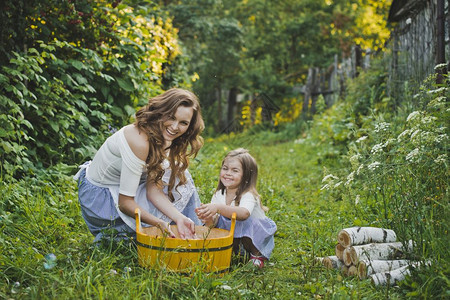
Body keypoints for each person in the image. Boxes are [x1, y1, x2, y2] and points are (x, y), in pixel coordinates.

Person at [74, 88, 204, 242]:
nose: (175, 127)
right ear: (161, 111)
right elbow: (125, 203)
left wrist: (179, 217)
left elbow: (153, 190)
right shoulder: (139, 141)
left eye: (183, 123)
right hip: (101, 200)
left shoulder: (162, 135)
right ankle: (114, 234)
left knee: (179, 175)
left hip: (126, 188)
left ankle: (193, 234)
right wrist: (157, 223)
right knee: (139, 240)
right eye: (171, 117)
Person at [195, 148, 277, 268]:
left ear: (246, 176)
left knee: (246, 221)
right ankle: (231, 251)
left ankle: (257, 255)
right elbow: (215, 221)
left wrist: (217, 207)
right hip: (237, 235)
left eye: (235, 170)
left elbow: (244, 214)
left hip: (255, 237)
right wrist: (209, 218)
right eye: (225, 168)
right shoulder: (219, 194)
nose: (228, 173)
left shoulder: (248, 194)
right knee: (221, 221)